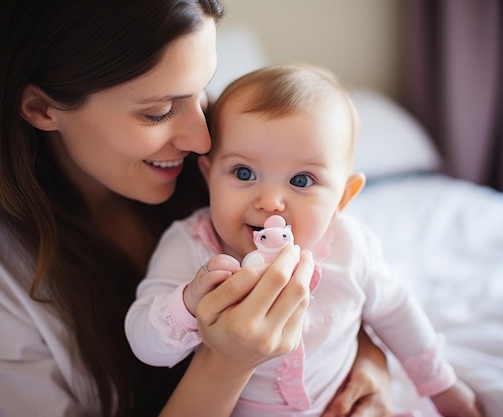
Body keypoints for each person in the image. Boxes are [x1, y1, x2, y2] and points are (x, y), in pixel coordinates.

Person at [0, 2, 394, 417]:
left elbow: (347, 281)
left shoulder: (229, 178)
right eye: (158, 111)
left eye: (201, 92)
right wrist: (226, 363)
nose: (202, 139)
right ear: (42, 107)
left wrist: (370, 366)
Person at [125, 64, 484, 417]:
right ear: (209, 176)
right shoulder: (191, 246)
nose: (270, 201)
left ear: (343, 198)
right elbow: (145, 345)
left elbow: (396, 312)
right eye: (244, 173)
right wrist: (188, 304)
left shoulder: (350, 247)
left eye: (301, 181)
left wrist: (442, 388)